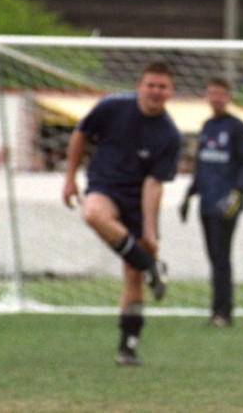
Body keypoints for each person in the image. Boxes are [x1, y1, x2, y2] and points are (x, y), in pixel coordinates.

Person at [62, 61, 181, 366]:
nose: (156, 91)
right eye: (151, 85)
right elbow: (80, 134)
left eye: (162, 86)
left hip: (136, 200)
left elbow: (154, 185)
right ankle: (153, 267)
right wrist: (69, 178)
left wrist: (150, 232)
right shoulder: (112, 106)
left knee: (133, 274)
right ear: (139, 86)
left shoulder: (169, 135)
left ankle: (128, 346)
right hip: (104, 187)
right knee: (92, 214)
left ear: (170, 92)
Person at [179, 77, 243, 327]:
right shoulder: (206, 127)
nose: (216, 98)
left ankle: (223, 312)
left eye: (220, 94)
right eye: (211, 93)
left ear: (228, 97)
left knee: (221, 257)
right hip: (206, 202)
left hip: (226, 203)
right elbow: (202, 165)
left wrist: (238, 192)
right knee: (213, 256)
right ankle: (217, 311)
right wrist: (189, 195)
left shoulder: (237, 128)